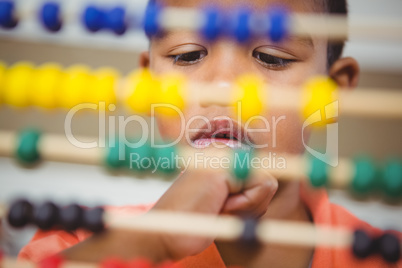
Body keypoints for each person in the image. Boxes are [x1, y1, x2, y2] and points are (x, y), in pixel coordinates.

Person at [19, 0, 401, 267]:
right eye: (187, 55)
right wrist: (155, 239)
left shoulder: (384, 257)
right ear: (149, 86)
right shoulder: (79, 245)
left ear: (331, 93)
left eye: (272, 57)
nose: (223, 89)